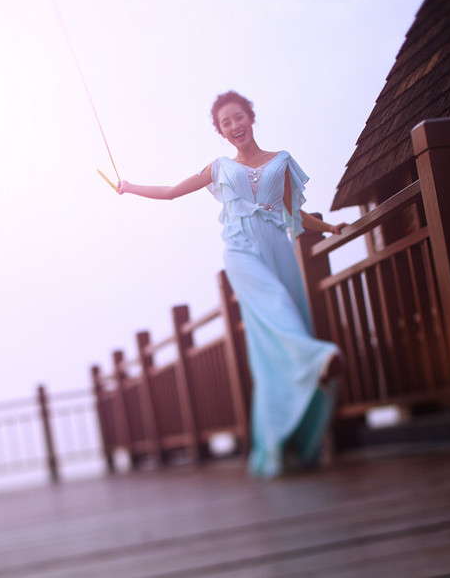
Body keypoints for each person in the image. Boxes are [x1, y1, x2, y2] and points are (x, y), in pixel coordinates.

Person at [116, 91, 345, 477]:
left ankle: (292, 442)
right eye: (226, 123)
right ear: (221, 133)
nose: (235, 126)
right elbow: (171, 193)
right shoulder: (219, 167)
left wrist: (329, 227)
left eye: (239, 117)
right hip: (241, 248)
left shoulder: (281, 160)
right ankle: (317, 359)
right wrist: (128, 186)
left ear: (251, 118)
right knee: (274, 305)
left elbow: (295, 212)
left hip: (278, 248)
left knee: (276, 334)